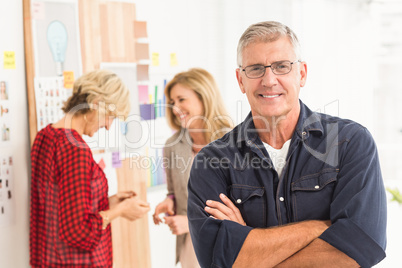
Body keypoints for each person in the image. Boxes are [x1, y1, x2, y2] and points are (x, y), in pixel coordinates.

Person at [187, 21, 387, 268]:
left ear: (301, 74)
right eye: (256, 68)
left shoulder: (350, 142)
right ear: (240, 80)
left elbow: (360, 250)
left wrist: (250, 247)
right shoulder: (212, 162)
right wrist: (318, 227)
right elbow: (216, 260)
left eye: (281, 66)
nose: (269, 80)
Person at [30, 69, 150, 268]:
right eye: (110, 116)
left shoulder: (45, 136)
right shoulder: (75, 150)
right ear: (95, 104)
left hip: (48, 258)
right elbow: (78, 231)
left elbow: (60, 204)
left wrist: (108, 201)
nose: (109, 126)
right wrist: (121, 210)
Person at [152, 68, 232, 268]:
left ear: (203, 97)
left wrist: (190, 223)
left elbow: (243, 204)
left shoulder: (232, 142)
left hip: (228, 242)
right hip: (191, 247)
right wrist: (169, 201)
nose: (175, 107)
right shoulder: (172, 146)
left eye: (181, 99)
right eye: (172, 102)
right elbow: (173, 191)